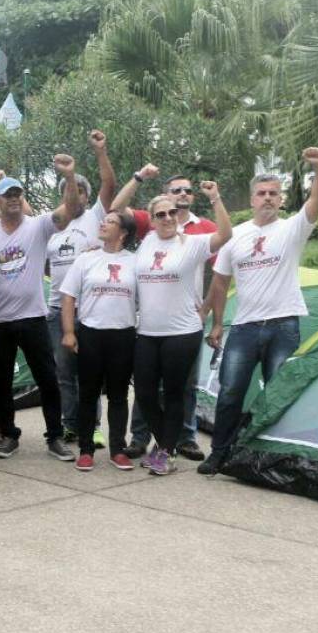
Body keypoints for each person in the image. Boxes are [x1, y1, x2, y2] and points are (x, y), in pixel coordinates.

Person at [201, 149, 318, 475]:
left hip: (283, 325)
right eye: (262, 193)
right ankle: (219, 453)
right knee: (230, 392)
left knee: (278, 392)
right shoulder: (235, 236)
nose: (268, 198)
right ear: (252, 199)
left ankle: (276, 457)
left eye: (273, 193)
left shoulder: (292, 230)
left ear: (281, 199)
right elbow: (219, 283)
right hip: (244, 327)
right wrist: (217, 324)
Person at [0, 153, 83, 461]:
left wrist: (71, 176)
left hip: (33, 317)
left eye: (17, 194)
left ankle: (55, 437)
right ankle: (8, 434)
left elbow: (72, 209)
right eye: (7, 195)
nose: (13, 199)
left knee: (48, 379)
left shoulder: (38, 226)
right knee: (3, 383)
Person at [114, 166, 223, 459]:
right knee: (146, 393)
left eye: (172, 213)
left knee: (178, 391)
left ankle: (170, 448)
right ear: (152, 218)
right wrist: (138, 177)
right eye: (161, 213)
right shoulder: (147, 237)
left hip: (183, 329)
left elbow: (224, 252)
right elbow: (116, 208)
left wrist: (215, 198)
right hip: (147, 330)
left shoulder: (196, 237)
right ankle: (154, 441)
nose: (167, 217)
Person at [45, 130, 119, 446]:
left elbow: (109, 185)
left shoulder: (94, 217)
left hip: (89, 308)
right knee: (63, 374)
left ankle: (94, 425)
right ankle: (71, 424)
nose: (75, 194)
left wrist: (100, 152)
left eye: (79, 190)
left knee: (90, 372)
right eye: (68, 190)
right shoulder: (51, 225)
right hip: (56, 309)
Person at [59, 210, 139, 471]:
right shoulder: (86, 260)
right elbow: (68, 297)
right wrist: (69, 332)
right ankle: (85, 449)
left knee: (118, 396)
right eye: (104, 220)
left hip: (124, 335)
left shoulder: (135, 262)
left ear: (124, 232)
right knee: (88, 394)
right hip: (90, 333)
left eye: (111, 222)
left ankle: (118, 449)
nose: (103, 223)